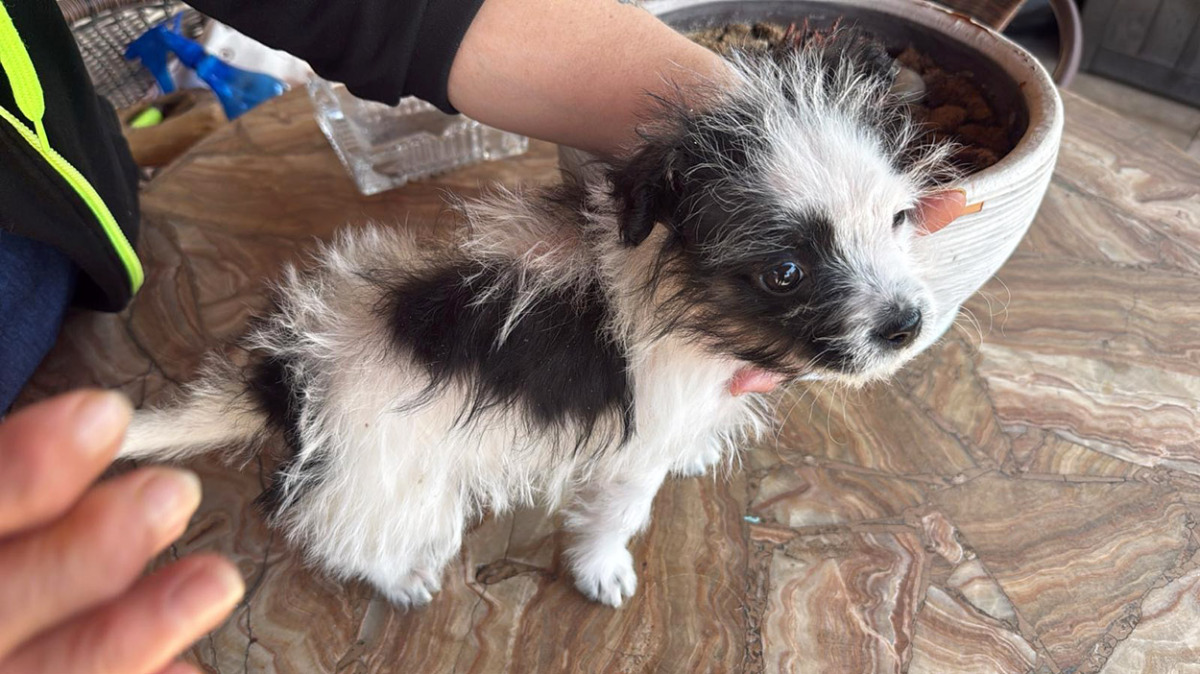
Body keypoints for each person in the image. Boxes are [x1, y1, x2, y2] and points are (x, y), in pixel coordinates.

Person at [0, 1, 967, 670]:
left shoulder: (647, 263)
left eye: (893, 218)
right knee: (401, 529)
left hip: (78, 203)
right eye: (786, 274)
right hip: (368, 435)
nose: (899, 298)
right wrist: (601, 549)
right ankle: (379, 555)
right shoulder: (662, 343)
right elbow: (641, 456)